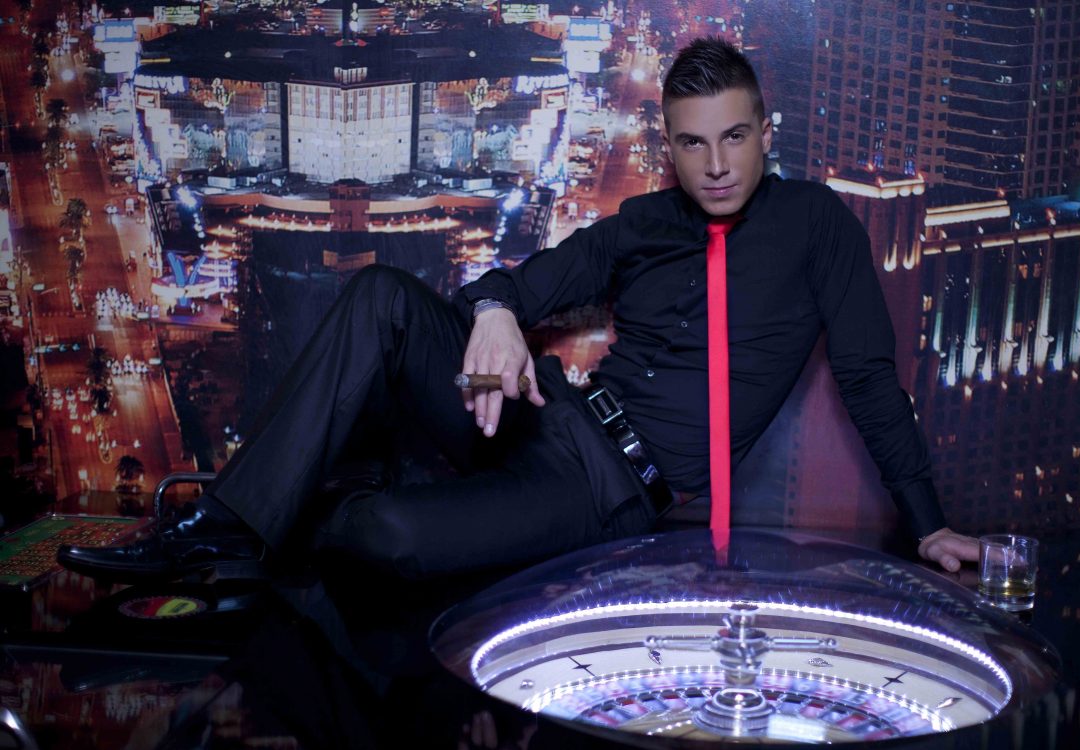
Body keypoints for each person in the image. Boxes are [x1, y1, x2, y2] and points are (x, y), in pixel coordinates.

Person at [59, 38, 978, 583]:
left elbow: (868, 379)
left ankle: (286, 521)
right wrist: (496, 308)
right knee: (381, 297)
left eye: (735, 137)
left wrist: (928, 520)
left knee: (388, 535)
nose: (716, 165)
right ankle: (222, 528)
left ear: (765, 131)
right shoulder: (645, 221)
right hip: (544, 410)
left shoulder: (818, 226)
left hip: (609, 490)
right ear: (669, 145)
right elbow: (523, 281)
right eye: (693, 143)